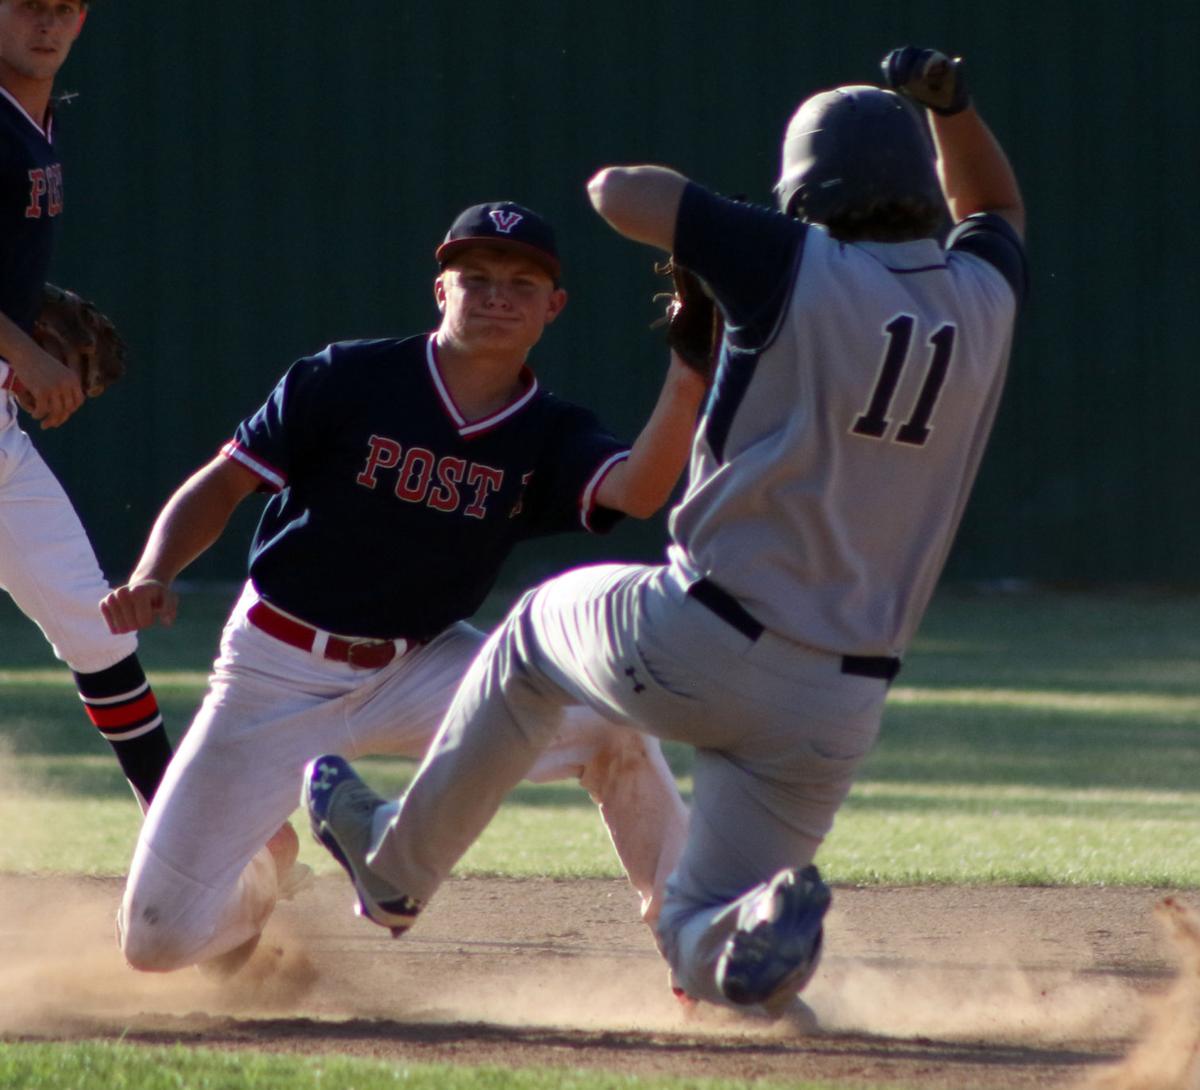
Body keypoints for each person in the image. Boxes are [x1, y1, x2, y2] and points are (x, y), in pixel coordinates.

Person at [303, 46, 1027, 1018]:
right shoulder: (983, 297)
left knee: (526, 637)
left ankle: (396, 871)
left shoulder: (786, 259)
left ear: (806, 190)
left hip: (701, 632)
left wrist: (724, 241)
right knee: (697, 930)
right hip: (841, 701)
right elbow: (998, 213)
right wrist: (956, 110)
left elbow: (619, 192)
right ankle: (752, 936)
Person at [103, 200, 700, 976]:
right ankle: (263, 867)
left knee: (616, 729)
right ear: (440, 290)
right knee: (155, 944)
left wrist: (689, 373)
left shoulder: (549, 430)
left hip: (420, 666)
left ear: (553, 308)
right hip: (275, 671)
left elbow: (640, 491)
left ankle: (697, 941)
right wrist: (154, 571)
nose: (496, 296)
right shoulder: (347, 378)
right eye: (475, 276)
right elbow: (222, 484)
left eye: (521, 283)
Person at [0, 0, 173, 812]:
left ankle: (184, 834)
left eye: (63, 7)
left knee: (98, 627)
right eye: (26, 4)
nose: (46, 21)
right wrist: (26, 348)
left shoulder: (35, 121)